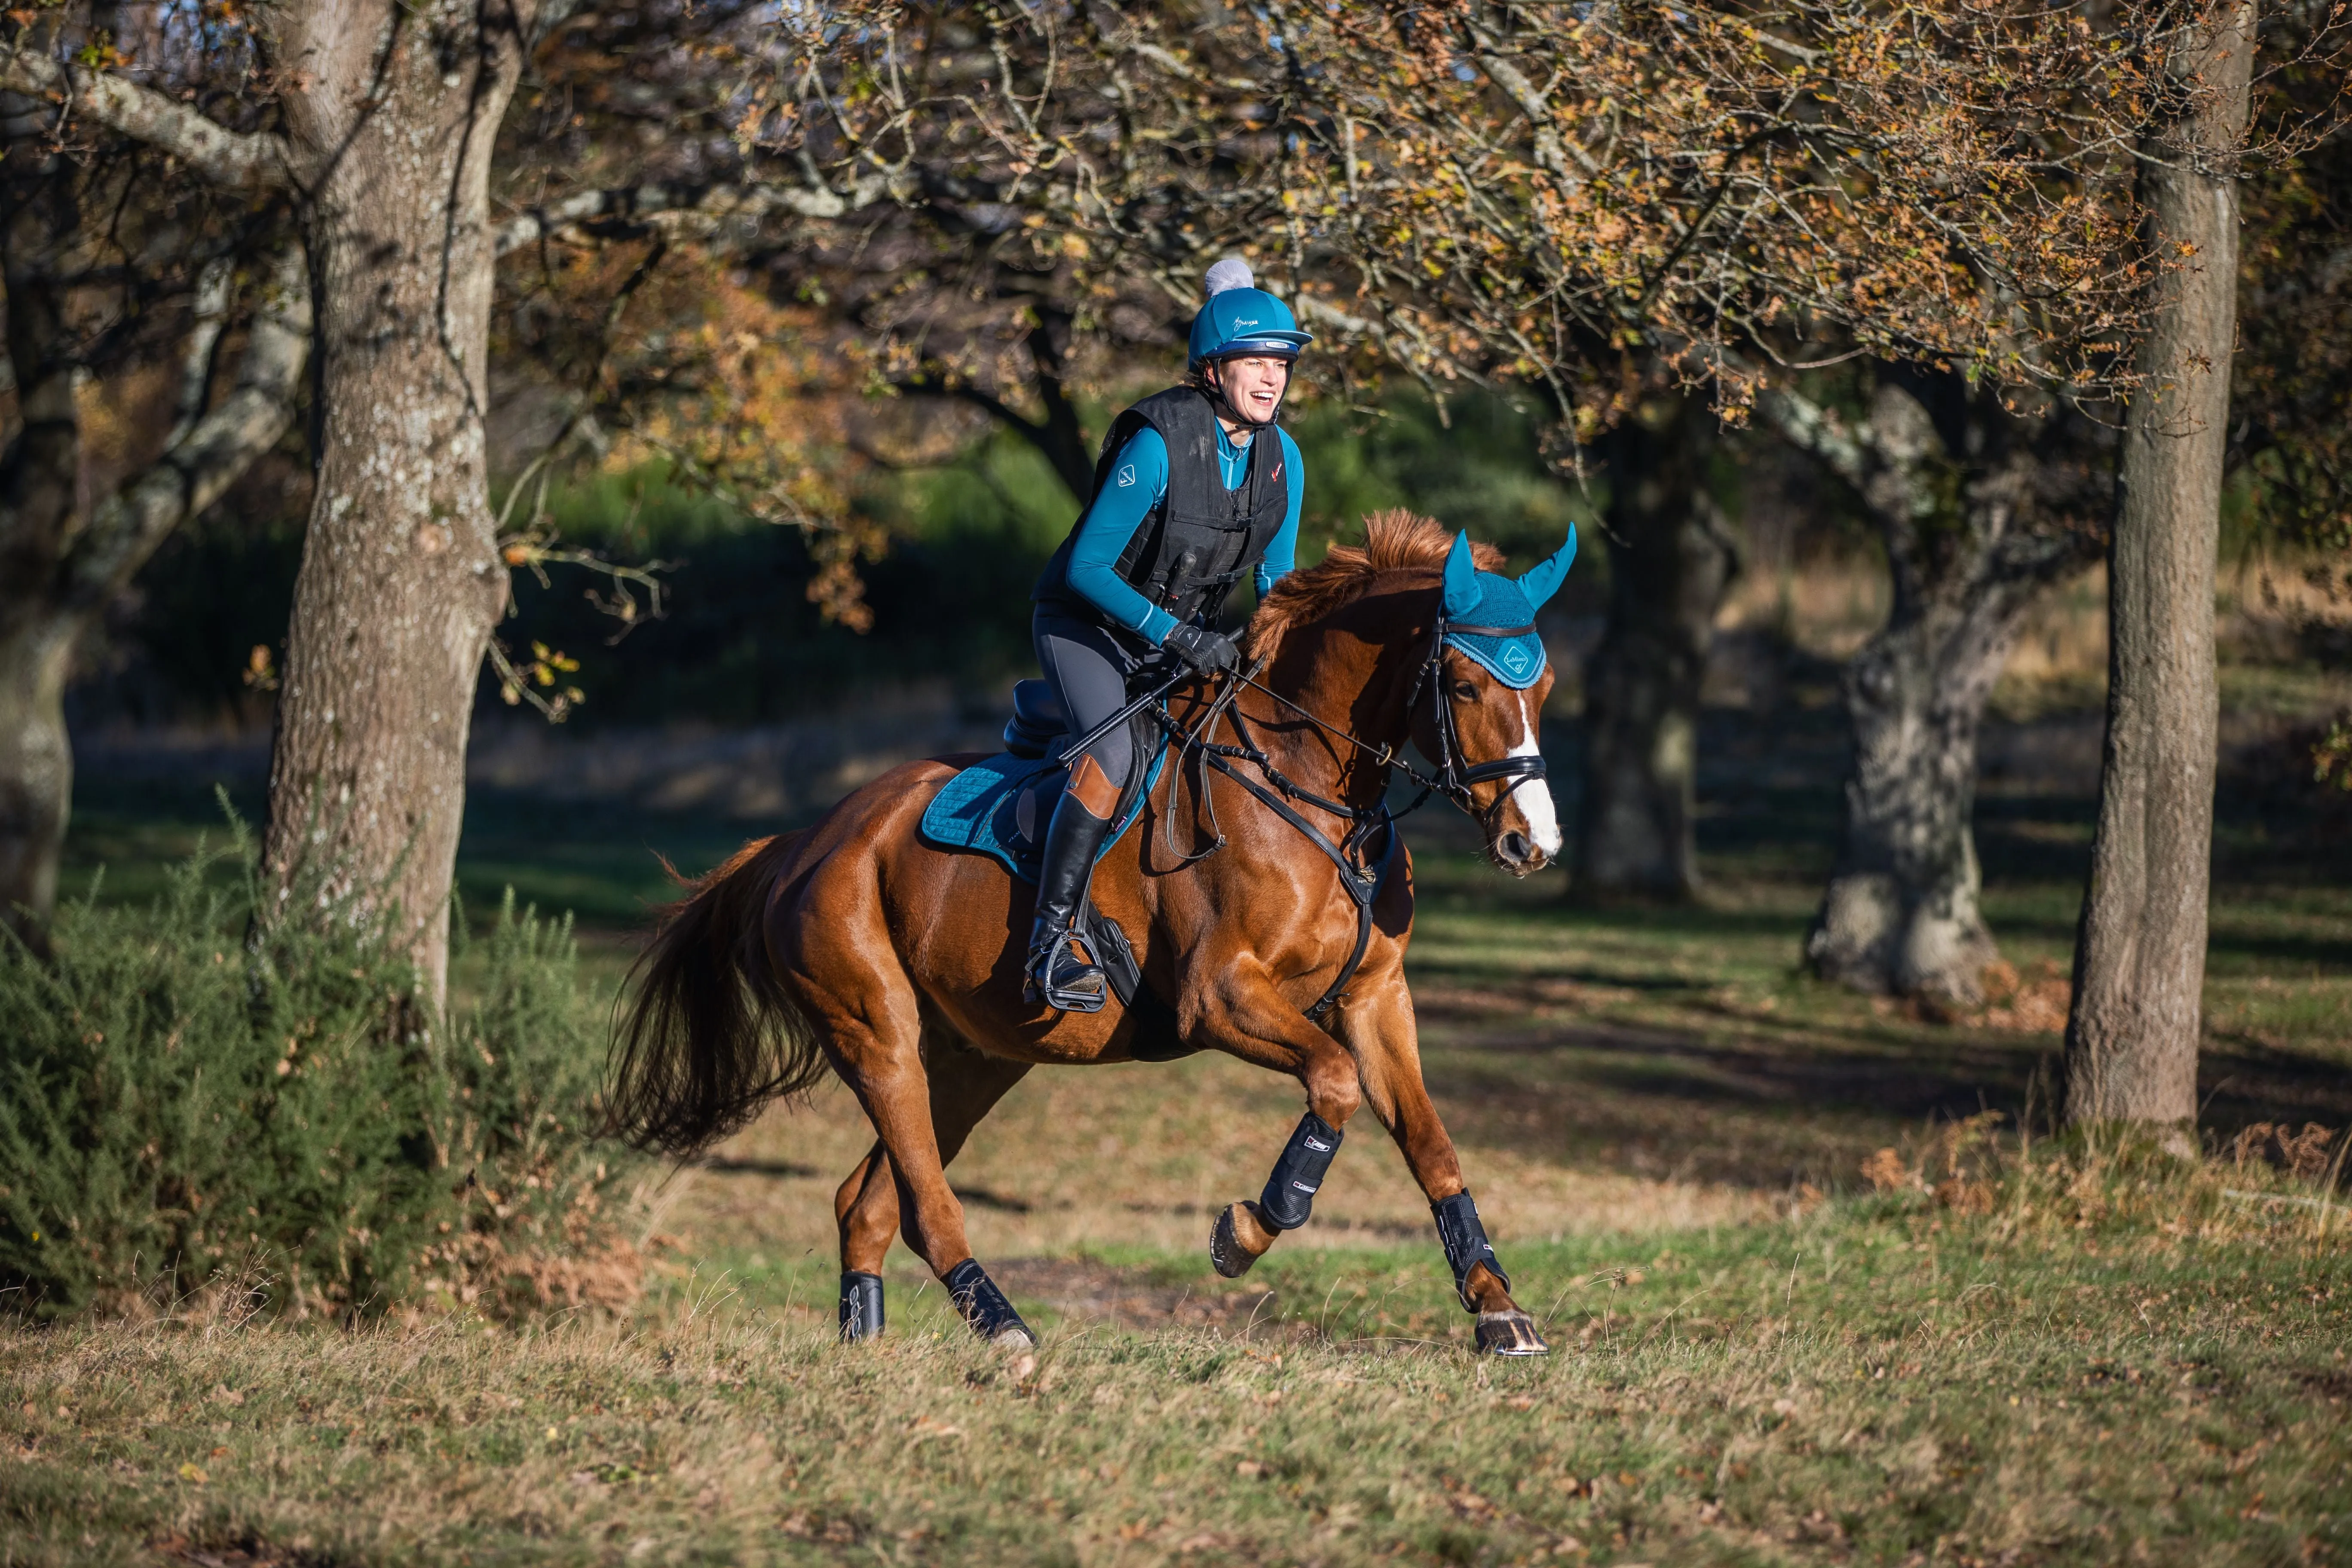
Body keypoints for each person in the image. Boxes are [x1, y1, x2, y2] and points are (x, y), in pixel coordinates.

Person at [1022, 258, 1310, 1011]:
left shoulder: (1284, 460)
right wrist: (1181, 638)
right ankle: (1048, 943)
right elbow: (1087, 567)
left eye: (1280, 363)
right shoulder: (1155, 443)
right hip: (1084, 626)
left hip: (1174, 639)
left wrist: (1275, 651)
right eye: (1255, 361)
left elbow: (1275, 578)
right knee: (1113, 753)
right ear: (1213, 369)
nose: (1272, 378)